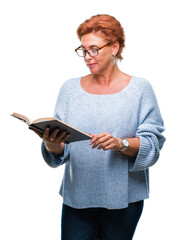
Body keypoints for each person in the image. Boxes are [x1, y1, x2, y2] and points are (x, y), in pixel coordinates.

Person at [30, 14, 165, 240]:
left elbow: (153, 144)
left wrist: (120, 144)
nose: (87, 57)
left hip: (124, 199)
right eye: (83, 50)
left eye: (93, 49)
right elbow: (63, 150)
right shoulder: (69, 90)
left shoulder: (140, 89)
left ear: (114, 47)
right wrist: (53, 146)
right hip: (78, 196)